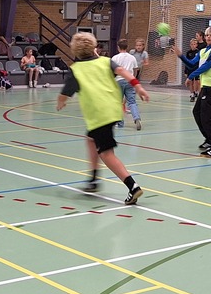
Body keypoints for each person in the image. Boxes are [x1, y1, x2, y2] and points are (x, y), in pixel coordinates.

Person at [56, 31, 147, 204]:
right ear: (94, 47)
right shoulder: (106, 62)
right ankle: (93, 179)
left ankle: (132, 186)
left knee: (106, 154)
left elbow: (65, 93)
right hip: (113, 110)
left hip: (99, 116)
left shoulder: (76, 70)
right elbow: (123, 72)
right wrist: (138, 86)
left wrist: (61, 102)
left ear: (75, 51)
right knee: (91, 139)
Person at [173, 27, 211, 156]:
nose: (208, 37)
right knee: (197, 112)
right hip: (205, 86)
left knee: (207, 116)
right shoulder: (202, 51)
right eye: (207, 35)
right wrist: (180, 56)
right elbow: (191, 64)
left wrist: (191, 76)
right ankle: (209, 139)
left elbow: (207, 66)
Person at [111, 39, 142, 130]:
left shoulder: (115, 58)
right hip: (130, 81)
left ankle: (120, 123)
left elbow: (112, 71)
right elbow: (135, 70)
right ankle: (137, 118)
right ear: (127, 47)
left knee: (118, 103)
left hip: (118, 81)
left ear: (118, 47)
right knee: (132, 102)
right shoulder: (132, 58)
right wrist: (133, 79)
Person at [181, 35, 200, 100]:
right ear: (190, 45)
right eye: (192, 44)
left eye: (194, 44)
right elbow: (186, 62)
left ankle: (196, 92)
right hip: (190, 69)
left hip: (197, 69)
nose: (193, 45)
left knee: (197, 81)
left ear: (196, 45)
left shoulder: (199, 52)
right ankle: (192, 94)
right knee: (190, 82)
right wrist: (186, 71)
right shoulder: (188, 53)